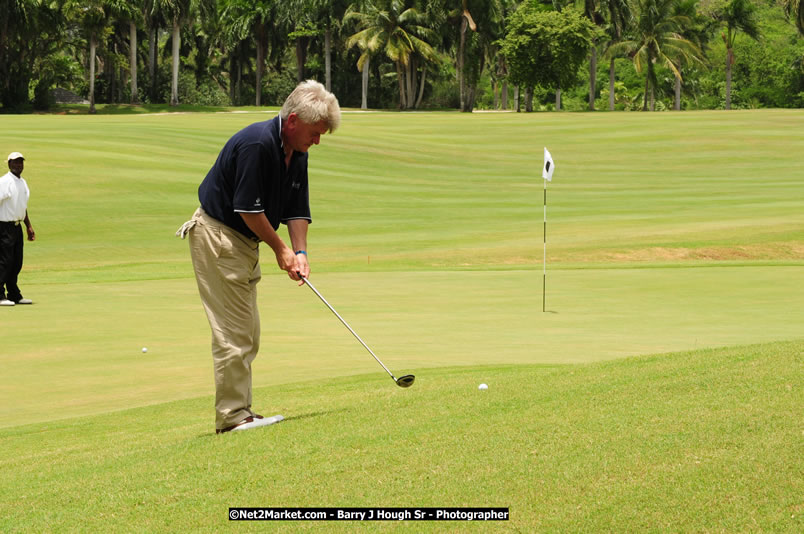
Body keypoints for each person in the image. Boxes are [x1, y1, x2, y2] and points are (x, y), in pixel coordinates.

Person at [177, 80, 341, 434]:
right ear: (294, 120)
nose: (317, 141)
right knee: (233, 333)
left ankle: (242, 412)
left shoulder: (297, 153)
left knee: (247, 331)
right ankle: (233, 417)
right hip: (219, 236)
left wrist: (300, 252)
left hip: (242, 241)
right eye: (314, 133)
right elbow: (248, 208)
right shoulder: (257, 143)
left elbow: (297, 207)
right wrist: (281, 250)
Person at [0, 152, 35, 307]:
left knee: (16, 262)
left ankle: (13, 294)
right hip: (4, 226)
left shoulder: (22, 183)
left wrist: (28, 226)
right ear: (9, 164)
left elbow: (22, 206)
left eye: (20, 162)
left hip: (17, 226)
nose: (18, 165)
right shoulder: (4, 181)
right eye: (15, 162)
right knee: (5, 262)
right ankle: (0, 295)